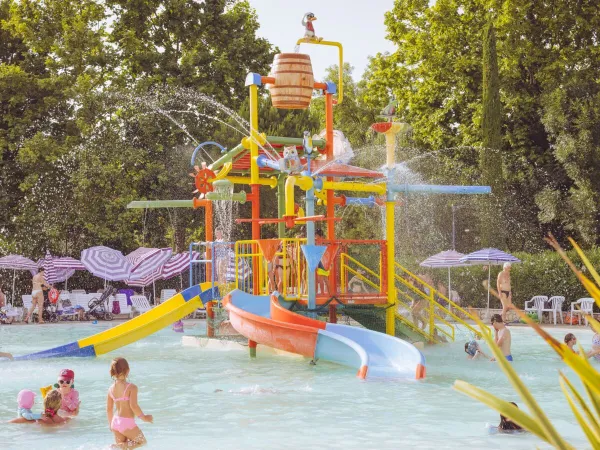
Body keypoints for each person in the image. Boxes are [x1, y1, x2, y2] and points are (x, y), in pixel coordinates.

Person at [107, 357, 153, 448]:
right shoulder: (131, 387)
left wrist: (110, 425)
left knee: (126, 448)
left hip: (115, 422)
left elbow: (109, 409)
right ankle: (117, 447)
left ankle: (118, 447)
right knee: (142, 442)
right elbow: (133, 406)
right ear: (127, 371)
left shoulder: (110, 389)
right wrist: (143, 417)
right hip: (126, 422)